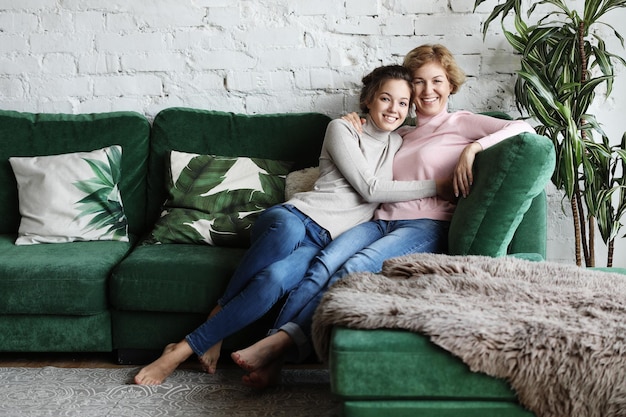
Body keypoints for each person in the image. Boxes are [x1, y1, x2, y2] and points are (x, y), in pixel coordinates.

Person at [230, 43, 536, 389]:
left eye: (437, 81)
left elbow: (526, 128)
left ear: (450, 84)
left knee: (352, 268)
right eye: (418, 82)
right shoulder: (400, 133)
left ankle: (280, 345)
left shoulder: (461, 123)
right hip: (379, 220)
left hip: (425, 224)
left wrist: (473, 147)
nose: (427, 90)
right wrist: (353, 122)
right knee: (323, 263)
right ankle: (273, 357)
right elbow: (366, 158)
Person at [134, 64, 453, 385]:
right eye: (385, 98)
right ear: (368, 99)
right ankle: (194, 338)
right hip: (294, 219)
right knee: (287, 231)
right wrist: (438, 185)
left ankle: (188, 345)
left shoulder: (398, 142)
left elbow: (432, 136)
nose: (393, 109)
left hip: (321, 243)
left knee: (273, 280)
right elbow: (370, 189)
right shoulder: (342, 129)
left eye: (402, 103)